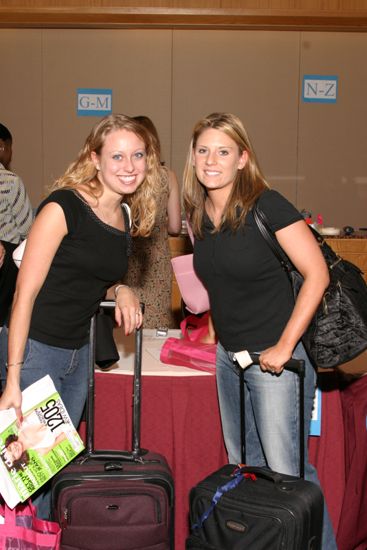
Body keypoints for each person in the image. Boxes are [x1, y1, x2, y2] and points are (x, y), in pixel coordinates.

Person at [182, 112, 337, 549]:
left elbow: (317, 274)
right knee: (246, 470)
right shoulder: (201, 214)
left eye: (224, 151)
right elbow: (224, 282)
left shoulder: (267, 205)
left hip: (276, 361)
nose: (212, 160)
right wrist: (216, 337)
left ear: (243, 158)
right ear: (192, 157)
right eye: (203, 150)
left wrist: (285, 346)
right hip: (231, 360)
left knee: (290, 478)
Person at [0, 113, 162, 518]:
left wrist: (121, 288)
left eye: (138, 155)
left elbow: (87, 277)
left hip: (78, 352)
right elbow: (26, 292)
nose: (129, 166)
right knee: (24, 473)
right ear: (95, 158)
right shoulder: (64, 206)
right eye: (118, 156)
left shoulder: (123, 215)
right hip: (36, 348)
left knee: (51, 470)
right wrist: (14, 378)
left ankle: (40, 542)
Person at [122, 115, 181, 328]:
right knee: (157, 324)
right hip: (157, 261)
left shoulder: (124, 175)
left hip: (126, 259)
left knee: (126, 320)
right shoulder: (168, 176)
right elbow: (175, 226)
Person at [0, 123, 33, 244]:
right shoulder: (11, 181)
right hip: (6, 257)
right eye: (10, 147)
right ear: (2, 146)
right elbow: (28, 230)